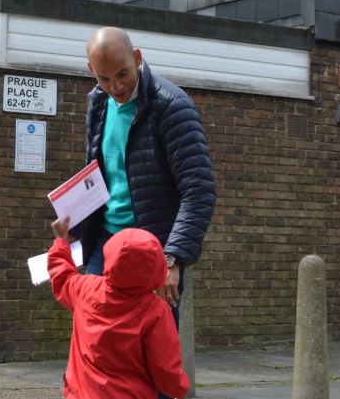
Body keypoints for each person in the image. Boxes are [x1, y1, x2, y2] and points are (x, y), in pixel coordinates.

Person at [69, 27, 216, 327]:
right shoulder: (98, 102)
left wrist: (173, 258)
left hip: (154, 253)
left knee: (154, 351)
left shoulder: (172, 106)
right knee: (93, 334)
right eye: (104, 78)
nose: (115, 86)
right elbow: (99, 172)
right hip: (107, 244)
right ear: (91, 71)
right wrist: (73, 232)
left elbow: (198, 190)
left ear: (137, 57)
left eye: (122, 73)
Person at [48, 217, 190, 399]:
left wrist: (61, 240)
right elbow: (164, 366)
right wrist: (179, 389)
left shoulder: (85, 288)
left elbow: (60, 275)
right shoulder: (157, 310)